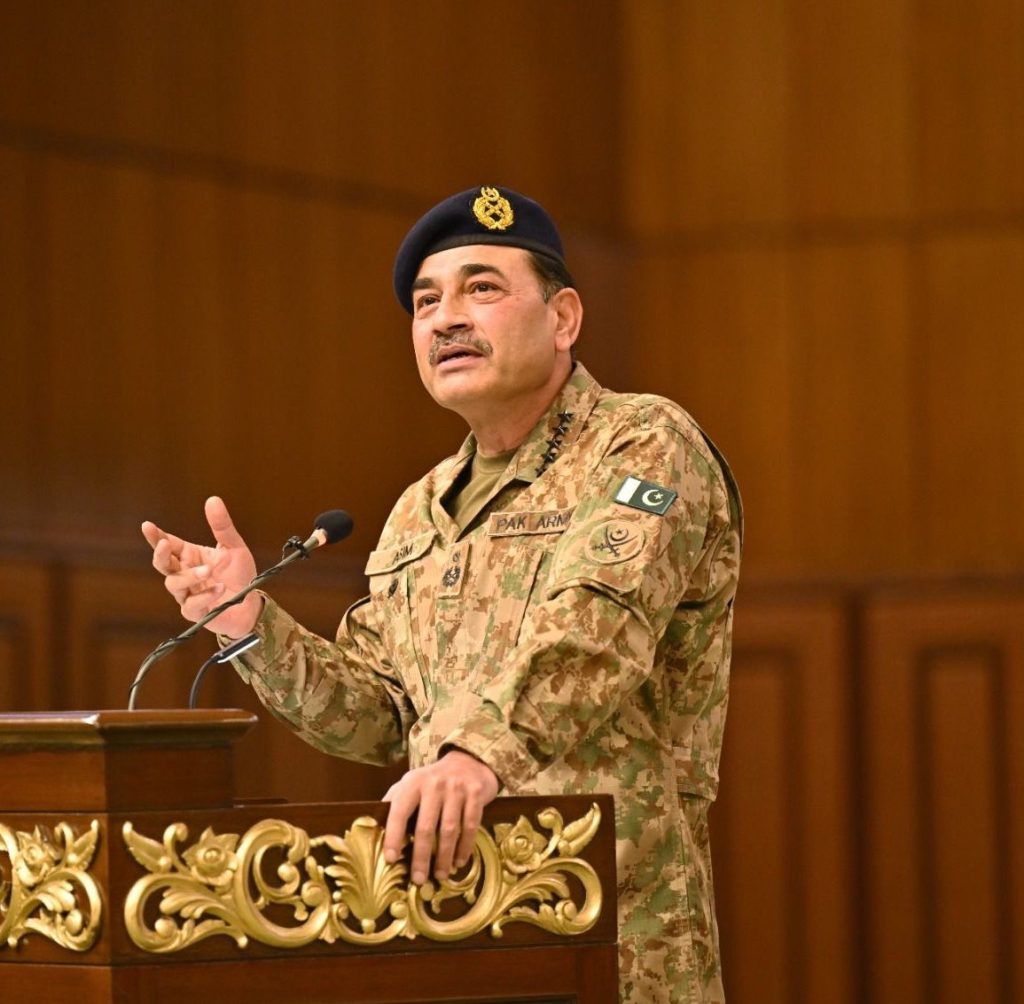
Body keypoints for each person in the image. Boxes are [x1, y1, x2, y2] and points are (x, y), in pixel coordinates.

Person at [142, 185, 742, 1003]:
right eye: (426, 303)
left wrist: (474, 757)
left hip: (617, 936)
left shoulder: (641, 443)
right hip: (456, 933)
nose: (446, 319)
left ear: (563, 318)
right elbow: (380, 715)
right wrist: (250, 623)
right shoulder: (420, 509)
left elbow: (597, 632)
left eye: (481, 288)